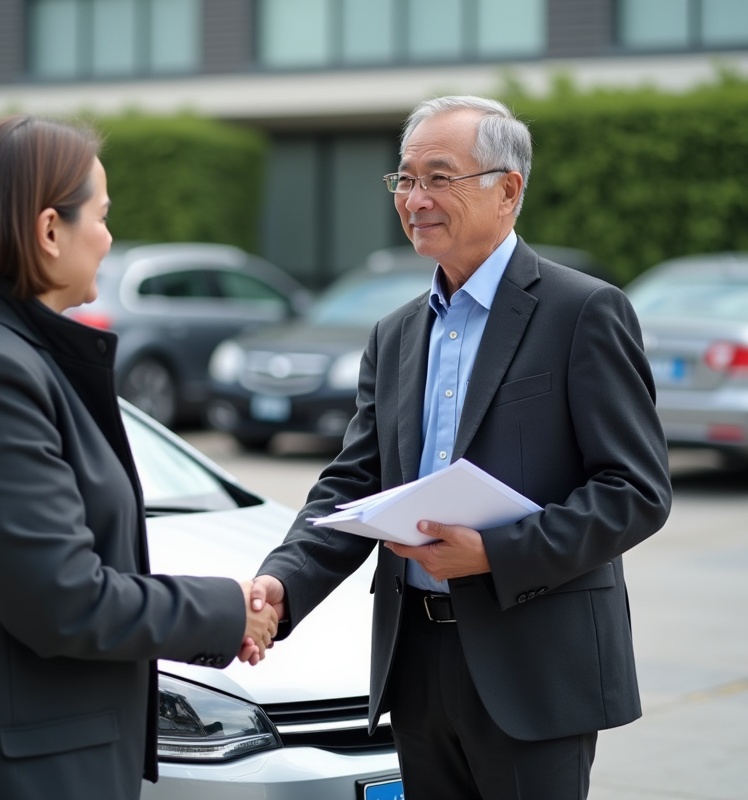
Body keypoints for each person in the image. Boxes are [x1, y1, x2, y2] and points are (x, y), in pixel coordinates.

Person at [250, 96, 672, 799]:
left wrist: (494, 553)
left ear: (508, 189)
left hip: (532, 665)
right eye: (405, 179)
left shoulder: (584, 312)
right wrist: (280, 584)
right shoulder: (395, 333)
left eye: (438, 178)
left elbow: (636, 492)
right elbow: (353, 484)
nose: (415, 199)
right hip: (415, 663)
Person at [0, 115, 277, 800]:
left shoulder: (1, 352)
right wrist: (227, 609)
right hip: (15, 776)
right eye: (101, 215)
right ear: (49, 230)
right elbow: (62, 600)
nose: (109, 237)